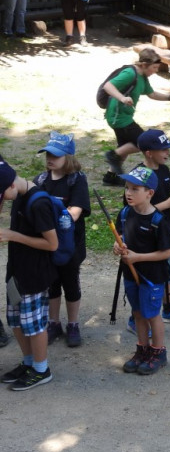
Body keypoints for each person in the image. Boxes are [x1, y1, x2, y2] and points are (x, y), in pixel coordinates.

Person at [125, 129, 170, 334]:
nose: (168, 152)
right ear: (149, 153)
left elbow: (163, 197)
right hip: (143, 236)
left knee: (166, 271)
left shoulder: (163, 170)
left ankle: (169, 309)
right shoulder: (138, 176)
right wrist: (168, 203)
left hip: (162, 232)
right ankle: (135, 318)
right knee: (144, 277)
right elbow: (134, 210)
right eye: (163, 149)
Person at [0, 156, 58, 391]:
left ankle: (42, 370)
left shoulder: (38, 203)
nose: (3, 200)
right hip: (17, 272)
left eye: (2, 195)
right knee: (15, 321)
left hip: (34, 275)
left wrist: (14, 236)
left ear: (11, 185)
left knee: (33, 325)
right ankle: (28, 362)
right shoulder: (18, 195)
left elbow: (52, 244)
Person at [114, 166, 170, 375]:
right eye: (127, 188)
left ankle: (158, 352)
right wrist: (118, 246)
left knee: (151, 314)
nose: (128, 193)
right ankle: (142, 349)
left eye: (135, 189)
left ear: (149, 193)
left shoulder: (158, 221)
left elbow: (166, 253)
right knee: (138, 313)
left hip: (152, 277)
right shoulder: (124, 214)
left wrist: (138, 257)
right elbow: (121, 237)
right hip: (130, 273)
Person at [34, 132, 91, 348]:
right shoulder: (41, 180)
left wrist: (50, 218)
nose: (50, 158)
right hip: (48, 245)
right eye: (48, 154)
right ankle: (54, 323)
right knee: (52, 285)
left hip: (70, 246)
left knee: (71, 284)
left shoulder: (77, 180)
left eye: (55, 155)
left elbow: (75, 212)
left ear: (68, 157)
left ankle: (73, 324)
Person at [102, 48, 170, 187]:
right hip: (118, 117)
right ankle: (112, 155)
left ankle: (110, 177)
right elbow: (108, 86)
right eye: (154, 67)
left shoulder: (143, 77)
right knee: (144, 142)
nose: (156, 71)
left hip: (124, 116)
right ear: (144, 65)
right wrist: (122, 98)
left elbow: (152, 94)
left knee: (125, 147)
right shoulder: (130, 73)